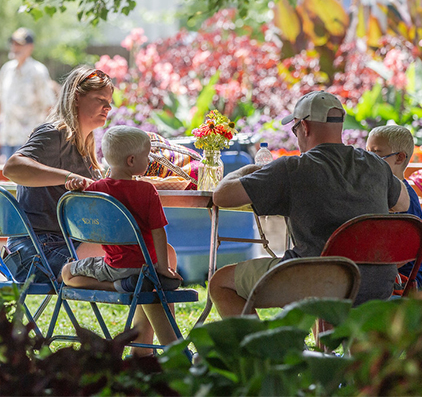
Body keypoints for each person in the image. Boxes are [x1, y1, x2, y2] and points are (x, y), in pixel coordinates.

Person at [209, 90, 410, 317]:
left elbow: (222, 196)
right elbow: (403, 203)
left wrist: (249, 171)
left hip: (316, 283)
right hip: (377, 284)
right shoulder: (375, 164)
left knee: (221, 282)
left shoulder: (291, 168)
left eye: (295, 129)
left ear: (304, 127)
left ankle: (264, 351)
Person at [61, 125, 183, 356]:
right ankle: (158, 354)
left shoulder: (96, 190)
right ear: (131, 161)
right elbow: (159, 232)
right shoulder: (148, 191)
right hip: (147, 268)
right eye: (147, 156)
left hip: (114, 267)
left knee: (67, 273)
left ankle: (114, 289)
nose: (149, 161)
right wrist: (162, 267)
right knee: (148, 285)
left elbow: (77, 211)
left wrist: (75, 187)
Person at [2, 65, 113, 283]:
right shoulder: (55, 133)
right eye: (100, 98)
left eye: (109, 100)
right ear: (77, 97)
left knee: (154, 254)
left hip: (62, 245)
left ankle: (144, 318)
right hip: (35, 251)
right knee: (137, 260)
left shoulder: (85, 146)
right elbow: (12, 167)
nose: (108, 106)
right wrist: (68, 177)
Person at [366, 125, 422, 287]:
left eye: (376, 154)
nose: (368, 160)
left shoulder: (404, 200)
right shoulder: (380, 190)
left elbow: (402, 256)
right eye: (366, 153)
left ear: (399, 158)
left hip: (404, 280)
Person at [0, 28, 56, 160]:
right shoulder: (7, 69)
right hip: (8, 138)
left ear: (30, 47)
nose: (15, 47)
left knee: (23, 180)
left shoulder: (38, 71)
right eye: (13, 43)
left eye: (19, 44)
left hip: (28, 140)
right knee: (7, 179)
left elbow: (49, 105)